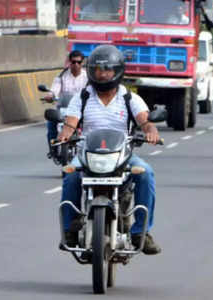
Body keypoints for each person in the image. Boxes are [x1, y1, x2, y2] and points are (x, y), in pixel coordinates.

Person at [58, 45, 162, 255]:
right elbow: (71, 123)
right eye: (97, 70)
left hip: (122, 156)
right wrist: (65, 134)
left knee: (146, 174)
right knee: (70, 174)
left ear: (117, 72)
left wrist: (151, 131)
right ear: (92, 71)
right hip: (87, 155)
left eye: (107, 70)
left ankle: (141, 232)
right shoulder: (82, 97)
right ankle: (69, 230)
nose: (102, 74)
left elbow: (145, 122)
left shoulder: (129, 98)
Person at [44, 50, 88, 157]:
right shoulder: (62, 76)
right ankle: (53, 149)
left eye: (79, 62)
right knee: (51, 125)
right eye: (73, 62)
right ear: (69, 62)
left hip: (80, 110)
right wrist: (51, 95)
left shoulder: (88, 77)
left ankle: (89, 149)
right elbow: (54, 89)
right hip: (63, 108)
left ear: (82, 63)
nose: (76, 65)